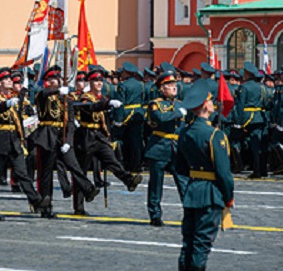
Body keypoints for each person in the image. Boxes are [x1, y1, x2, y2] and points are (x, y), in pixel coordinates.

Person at [176, 79, 234, 271]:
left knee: (188, 245)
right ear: (205, 105)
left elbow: (180, 168)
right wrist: (228, 197)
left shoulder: (184, 133)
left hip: (192, 192)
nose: (213, 103)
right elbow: (224, 173)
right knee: (201, 246)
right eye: (211, 100)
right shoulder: (214, 135)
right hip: (210, 194)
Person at [72, 69, 143, 216]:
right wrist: (107, 104)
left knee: (112, 160)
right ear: (90, 83)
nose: (99, 83)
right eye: (96, 81)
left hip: (99, 136)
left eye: (101, 81)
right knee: (82, 170)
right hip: (86, 136)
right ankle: (79, 206)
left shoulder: (102, 97)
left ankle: (128, 180)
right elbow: (91, 108)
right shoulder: (86, 97)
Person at [0, 67, 50, 221]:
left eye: (10, 79)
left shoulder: (17, 99)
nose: (9, 81)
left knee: (22, 173)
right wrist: (6, 104)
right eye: (6, 79)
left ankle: (36, 200)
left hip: (14, 140)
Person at [33, 67, 100, 218]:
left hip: (62, 137)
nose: (53, 82)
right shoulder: (43, 95)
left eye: (56, 79)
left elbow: (70, 121)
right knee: (46, 174)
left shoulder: (67, 99)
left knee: (74, 165)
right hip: (47, 135)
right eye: (50, 80)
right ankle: (46, 206)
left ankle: (88, 188)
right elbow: (42, 95)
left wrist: (69, 140)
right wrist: (57, 91)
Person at [145, 70, 186, 227]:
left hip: (177, 148)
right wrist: (177, 113)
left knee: (183, 183)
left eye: (174, 84)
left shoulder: (182, 104)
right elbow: (160, 119)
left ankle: (189, 213)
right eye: (169, 84)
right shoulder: (155, 104)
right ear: (162, 88)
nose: (174, 87)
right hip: (159, 147)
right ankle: (155, 215)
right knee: (156, 184)